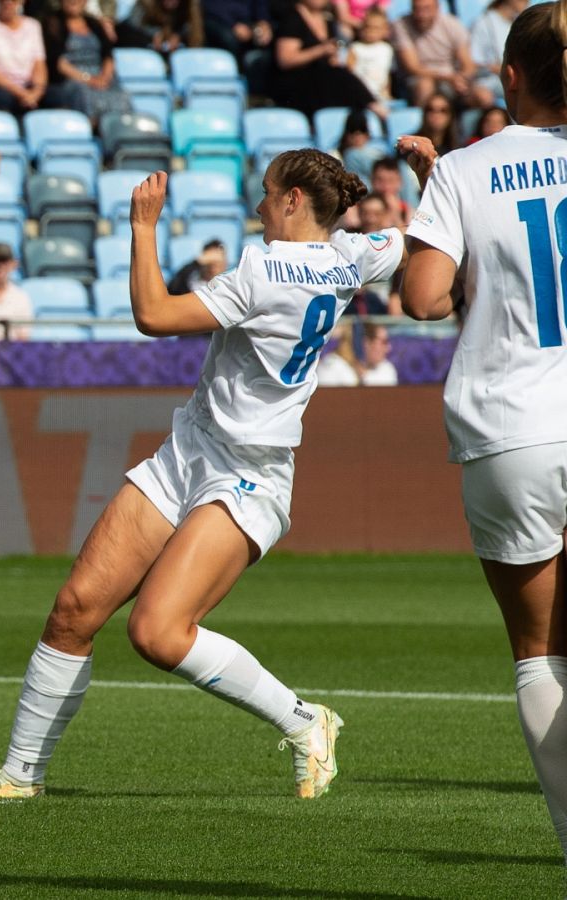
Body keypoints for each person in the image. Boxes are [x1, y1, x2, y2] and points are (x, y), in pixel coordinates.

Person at [0, 152, 404, 805]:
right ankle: (19, 774)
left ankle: (304, 721)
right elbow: (411, 244)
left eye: (267, 195)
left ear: (295, 200)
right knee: (74, 611)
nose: (259, 207)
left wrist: (144, 227)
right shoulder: (355, 253)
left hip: (249, 473)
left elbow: (153, 316)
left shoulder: (265, 268)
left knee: (156, 631)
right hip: (190, 449)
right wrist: (436, 177)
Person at [399, 2, 567, 869]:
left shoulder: (465, 169)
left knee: (541, 654)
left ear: (509, 79)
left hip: (514, 427)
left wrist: (437, 195)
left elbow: (424, 297)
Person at [269, 0, 384, 119]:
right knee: (336, 76)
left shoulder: (328, 20)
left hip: (321, 82)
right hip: (296, 83)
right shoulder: (292, 18)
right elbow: (285, 60)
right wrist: (320, 51)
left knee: (339, 73)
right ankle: (372, 105)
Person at [43, 0, 133, 122]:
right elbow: (58, 63)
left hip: (99, 77)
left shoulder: (95, 24)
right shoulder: (52, 24)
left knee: (121, 94)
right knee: (83, 94)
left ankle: (123, 127)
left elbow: (108, 56)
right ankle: (94, 127)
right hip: (70, 80)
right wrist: (88, 79)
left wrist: (104, 77)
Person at [394, 0, 492, 108]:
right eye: (417, 9)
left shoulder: (452, 24)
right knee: (425, 86)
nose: (421, 14)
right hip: (421, 78)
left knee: (484, 96)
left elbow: (468, 64)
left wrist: (462, 78)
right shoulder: (402, 25)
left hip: (452, 78)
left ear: (437, 8)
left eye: (426, 9)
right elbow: (412, 67)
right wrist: (448, 78)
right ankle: (424, 121)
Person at [0, 0, 49, 115]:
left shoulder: (33, 26)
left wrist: (37, 92)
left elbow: (39, 66)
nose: (7, 2)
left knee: (56, 97)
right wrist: (21, 93)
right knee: (2, 97)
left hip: (25, 87)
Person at [470, 0, 525, 104]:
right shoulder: (484, 22)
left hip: (516, 79)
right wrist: (498, 68)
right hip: (490, 81)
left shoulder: (520, 24)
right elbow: (475, 62)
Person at [315, 321, 396, 386]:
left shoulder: (386, 368)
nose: (388, 348)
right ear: (366, 343)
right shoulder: (332, 365)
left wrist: (364, 376)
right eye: (384, 342)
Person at [117, 0, 204, 53]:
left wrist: (179, 36)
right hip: (141, 50)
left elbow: (195, 35)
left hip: (174, 58)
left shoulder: (189, 8)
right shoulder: (144, 4)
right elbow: (131, 26)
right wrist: (152, 35)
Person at [347, 8, 394, 105]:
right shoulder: (356, 48)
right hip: (360, 94)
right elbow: (349, 71)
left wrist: (388, 92)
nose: (371, 31)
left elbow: (387, 73)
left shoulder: (387, 49)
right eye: (367, 27)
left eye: (376, 28)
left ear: (385, 30)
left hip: (380, 94)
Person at [200, 0, 272, 62]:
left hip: (250, 26)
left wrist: (263, 23)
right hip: (222, 23)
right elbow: (211, 7)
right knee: (229, 39)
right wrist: (233, 25)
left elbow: (261, 8)